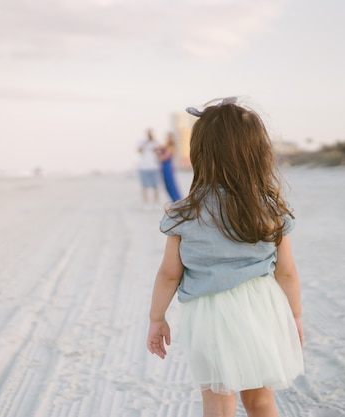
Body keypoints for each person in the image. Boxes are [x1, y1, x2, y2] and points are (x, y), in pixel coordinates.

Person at [146, 97, 304, 417]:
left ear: (200, 153)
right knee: (260, 400)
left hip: (210, 315)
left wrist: (156, 318)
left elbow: (169, 274)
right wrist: (295, 318)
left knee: (218, 402)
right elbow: (286, 272)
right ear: (258, 154)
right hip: (262, 307)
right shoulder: (268, 210)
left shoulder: (184, 213)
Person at [137, 129, 160, 207]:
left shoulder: (155, 143)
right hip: (144, 167)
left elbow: (158, 152)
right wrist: (145, 144)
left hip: (154, 167)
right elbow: (139, 150)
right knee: (144, 187)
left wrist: (154, 141)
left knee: (155, 186)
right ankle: (146, 203)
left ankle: (155, 203)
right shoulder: (142, 142)